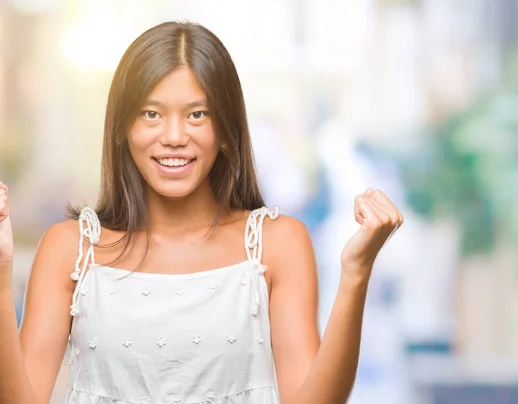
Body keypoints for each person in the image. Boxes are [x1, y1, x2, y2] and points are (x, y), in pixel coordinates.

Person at [0, 21, 402, 404]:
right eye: (151, 114)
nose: (174, 137)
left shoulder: (277, 244)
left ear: (226, 130)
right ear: (123, 127)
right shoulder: (71, 250)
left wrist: (356, 272)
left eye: (197, 114)